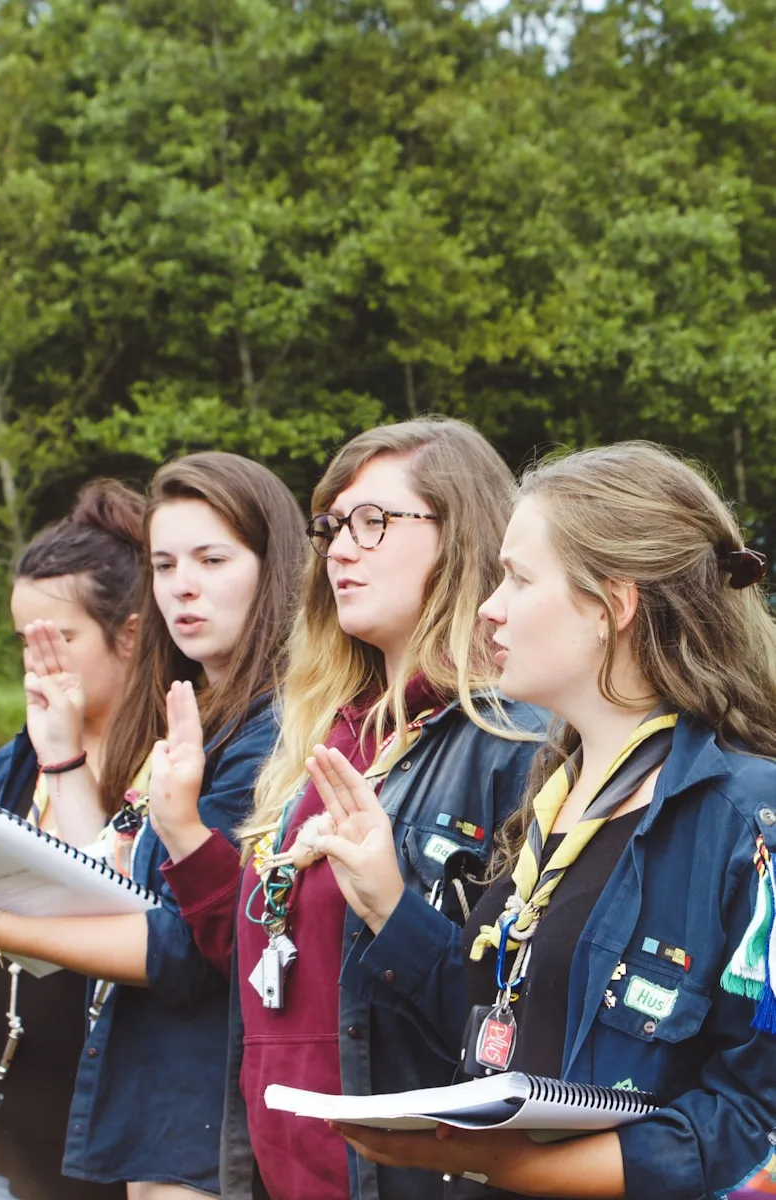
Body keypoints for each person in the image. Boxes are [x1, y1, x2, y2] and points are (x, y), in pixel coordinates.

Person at [314, 441, 776, 1200]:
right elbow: (491, 1024)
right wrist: (386, 901)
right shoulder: (554, 795)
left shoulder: (750, 823)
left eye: (518, 579)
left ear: (610, 606)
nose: (490, 607)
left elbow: (754, 1127)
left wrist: (514, 1167)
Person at [151, 416, 548, 1200]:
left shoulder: (516, 739)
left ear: (461, 536)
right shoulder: (324, 729)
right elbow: (276, 963)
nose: (336, 549)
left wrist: (395, 907)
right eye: (331, 526)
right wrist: (185, 836)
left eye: (374, 522)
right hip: (279, 1174)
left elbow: (521, 1016)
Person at [0, 452, 305, 1200]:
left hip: (208, 1135)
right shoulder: (198, 717)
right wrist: (59, 760)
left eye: (212, 558)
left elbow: (184, 950)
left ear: (273, 566)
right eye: (164, 564)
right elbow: (116, 897)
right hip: (144, 1133)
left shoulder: (275, 733)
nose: (182, 584)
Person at [0, 479, 145, 1200]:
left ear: (131, 635)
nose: (39, 661)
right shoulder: (17, 759)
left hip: (104, 1141)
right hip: (0, 1122)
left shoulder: (168, 769)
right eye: (25, 640)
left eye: (61, 638)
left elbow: (144, 933)